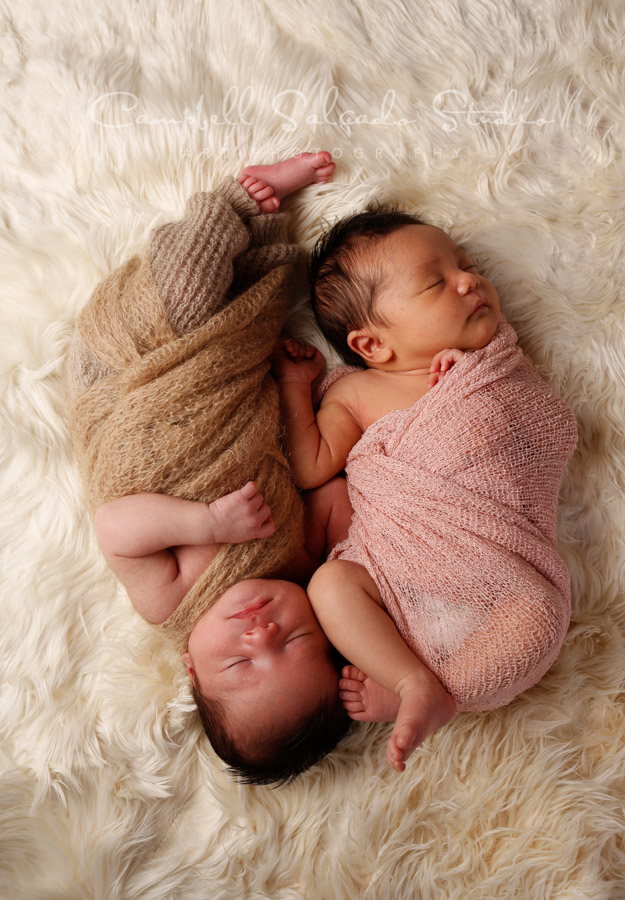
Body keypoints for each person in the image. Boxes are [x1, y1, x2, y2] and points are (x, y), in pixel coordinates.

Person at [75, 152, 361, 786]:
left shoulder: (171, 602)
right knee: (242, 306)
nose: (260, 634)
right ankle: (255, 229)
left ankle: (234, 202)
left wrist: (206, 524)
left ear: (190, 666)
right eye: (295, 642)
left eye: (239, 666)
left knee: (182, 294)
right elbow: (331, 488)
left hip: (132, 390)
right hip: (228, 393)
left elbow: (116, 529)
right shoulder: (304, 562)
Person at [271, 207, 578, 771]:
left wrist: (462, 390)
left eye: (466, 265)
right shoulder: (356, 393)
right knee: (332, 585)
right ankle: (412, 678)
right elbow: (311, 465)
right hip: (396, 572)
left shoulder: (490, 368)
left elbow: (548, 428)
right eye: (437, 282)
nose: (469, 280)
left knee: (541, 619)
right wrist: (296, 385)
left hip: (497, 570)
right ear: (373, 345)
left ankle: (436, 691)